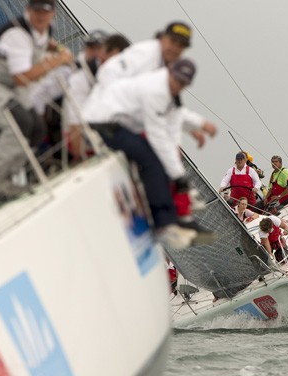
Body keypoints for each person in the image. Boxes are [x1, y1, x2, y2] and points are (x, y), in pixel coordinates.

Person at [83, 58, 209, 248]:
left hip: (140, 132)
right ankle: (174, 216)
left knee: (168, 162)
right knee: (160, 163)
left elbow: (172, 116)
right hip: (121, 131)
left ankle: (181, 213)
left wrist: (189, 130)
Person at [0, 0, 74, 196]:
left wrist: (60, 51)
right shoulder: (17, 35)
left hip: (3, 82)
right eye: (36, 11)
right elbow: (22, 78)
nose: (41, 16)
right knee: (18, 122)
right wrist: (56, 62)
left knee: (37, 127)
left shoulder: (41, 30)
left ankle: (36, 170)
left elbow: (46, 43)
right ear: (28, 11)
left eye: (46, 12)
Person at [64, 33, 131, 160]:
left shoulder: (116, 75)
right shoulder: (76, 75)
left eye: (98, 48)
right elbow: (74, 120)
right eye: (91, 48)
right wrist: (79, 158)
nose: (95, 53)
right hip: (83, 136)